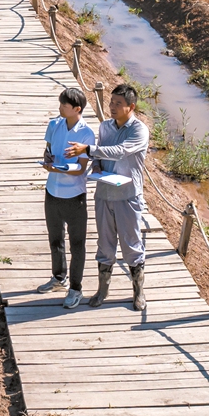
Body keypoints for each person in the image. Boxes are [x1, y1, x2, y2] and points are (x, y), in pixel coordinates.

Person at [65, 84, 149, 310]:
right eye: (111, 103)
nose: (112, 107)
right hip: (104, 194)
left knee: (132, 245)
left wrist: (88, 150)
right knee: (104, 244)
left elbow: (121, 150)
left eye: (117, 104)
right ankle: (103, 290)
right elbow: (101, 154)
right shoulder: (105, 127)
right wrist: (97, 165)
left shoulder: (139, 131)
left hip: (128, 196)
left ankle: (138, 292)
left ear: (131, 107)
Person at [37, 87, 96, 309]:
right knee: (55, 239)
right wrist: (47, 161)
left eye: (64, 105)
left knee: (77, 244)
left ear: (77, 109)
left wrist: (58, 169)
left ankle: (76, 288)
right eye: (60, 103)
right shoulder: (54, 125)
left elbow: (81, 169)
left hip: (74, 197)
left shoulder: (86, 134)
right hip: (52, 192)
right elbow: (48, 151)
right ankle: (58, 277)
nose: (60, 107)